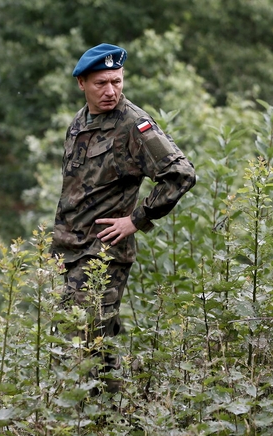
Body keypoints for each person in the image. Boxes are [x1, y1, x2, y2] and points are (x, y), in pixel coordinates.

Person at [51, 43, 196, 393]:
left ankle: (92, 423)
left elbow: (180, 174)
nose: (111, 90)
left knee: (78, 346)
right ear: (82, 83)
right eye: (101, 83)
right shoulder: (79, 123)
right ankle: (116, 420)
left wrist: (137, 219)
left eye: (116, 81)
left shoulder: (134, 124)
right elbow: (74, 191)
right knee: (92, 346)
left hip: (102, 254)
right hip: (68, 251)